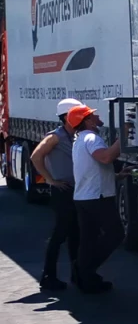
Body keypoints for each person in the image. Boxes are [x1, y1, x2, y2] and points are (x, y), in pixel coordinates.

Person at [28, 98, 84, 292]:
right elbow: (36, 156)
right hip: (63, 191)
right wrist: (50, 180)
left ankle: (78, 275)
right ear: (68, 117)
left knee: (76, 234)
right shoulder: (56, 136)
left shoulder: (75, 135)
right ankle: (48, 276)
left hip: (76, 190)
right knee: (60, 234)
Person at [67, 105, 121, 293]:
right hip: (97, 198)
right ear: (87, 121)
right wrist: (124, 137)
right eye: (93, 115)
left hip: (84, 197)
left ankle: (86, 277)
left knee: (88, 240)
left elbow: (93, 170)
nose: (97, 116)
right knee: (116, 234)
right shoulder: (91, 138)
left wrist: (119, 176)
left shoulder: (80, 140)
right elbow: (106, 158)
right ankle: (84, 270)